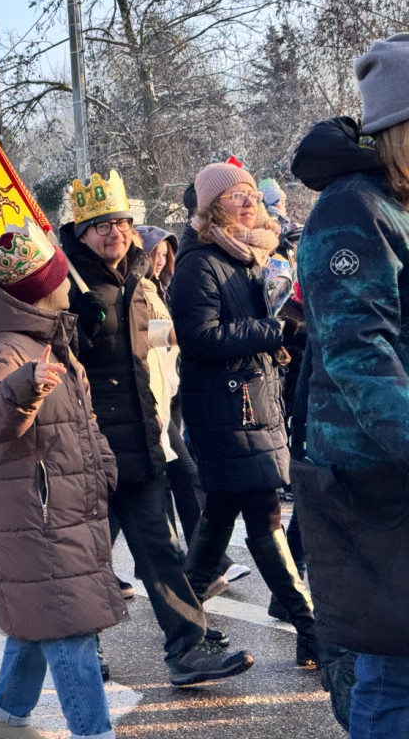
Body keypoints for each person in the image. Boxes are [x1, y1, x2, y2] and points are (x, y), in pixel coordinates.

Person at [63, 171, 253, 686]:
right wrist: (70, 322)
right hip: (87, 450)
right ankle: (81, 651)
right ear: (80, 234)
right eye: (101, 226)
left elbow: (163, 350)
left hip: (143, 442)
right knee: (87, 563)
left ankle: (187, 648)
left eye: (121, 223)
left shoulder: (140, 280)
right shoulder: (65, 286)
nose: (114, 234)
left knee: (162, 554)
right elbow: (49, 361)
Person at [0, 221, 124, 739]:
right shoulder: (3, 347)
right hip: (37, 513)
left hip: (63, 505)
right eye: (58, 278)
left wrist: (102, 464)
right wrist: (24, 387)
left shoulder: (47, 338)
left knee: (40, 622)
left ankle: (7, 723)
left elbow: (81, 419)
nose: (67, 286)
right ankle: (94, 733)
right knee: (68, 625)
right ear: (39, 289)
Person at [292, 33, 409, 736]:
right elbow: (357, 351)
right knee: (392, 668)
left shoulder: (397, 201)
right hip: (375, 474)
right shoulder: (352, 209)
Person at [170, 160, 317, 668]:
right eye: (236, 196)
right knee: (265, 516)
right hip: (223, 410)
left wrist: (293, 323)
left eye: (252, 193)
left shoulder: (253, 255)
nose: (248, 201)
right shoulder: (198, 262)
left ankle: (182, 636)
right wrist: (270, 331)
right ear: (211, 206)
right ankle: (312, 631)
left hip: (257, 405)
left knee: (219, 520)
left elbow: (269, 318)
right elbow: (200, 338)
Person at [136, 225, 250, 592]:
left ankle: (187, 565)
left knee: (158, 487)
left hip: (170, 393)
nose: (160, 259)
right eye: (154, 252)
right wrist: (183, 333)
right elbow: (138, 332)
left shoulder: (162, 287)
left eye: (165, 254)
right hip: (145, 396)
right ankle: (202, 564)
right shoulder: (135, 289)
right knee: (180, 475)